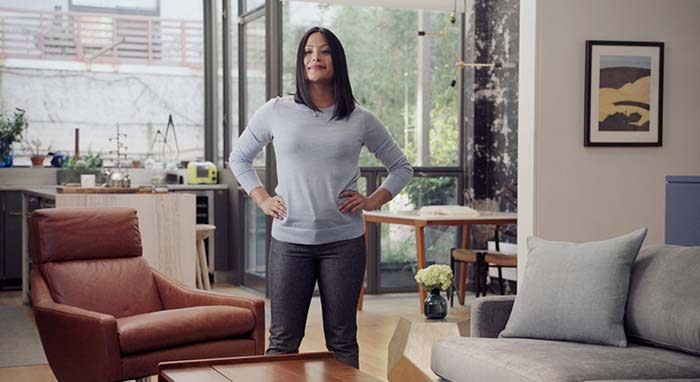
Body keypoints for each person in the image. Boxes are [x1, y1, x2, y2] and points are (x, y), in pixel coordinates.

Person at [229, 26, 413, 369]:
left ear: (336, 60)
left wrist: (372, 201)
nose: (315, 58)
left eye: (324, 51)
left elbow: (401, 167)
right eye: (307, 52)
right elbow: (239, 157)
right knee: (283, 340)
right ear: (301, 63)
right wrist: (262, 198)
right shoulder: (277, 110)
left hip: (344, 243)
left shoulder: (360, 118)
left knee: (342, 340)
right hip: (289, 242)